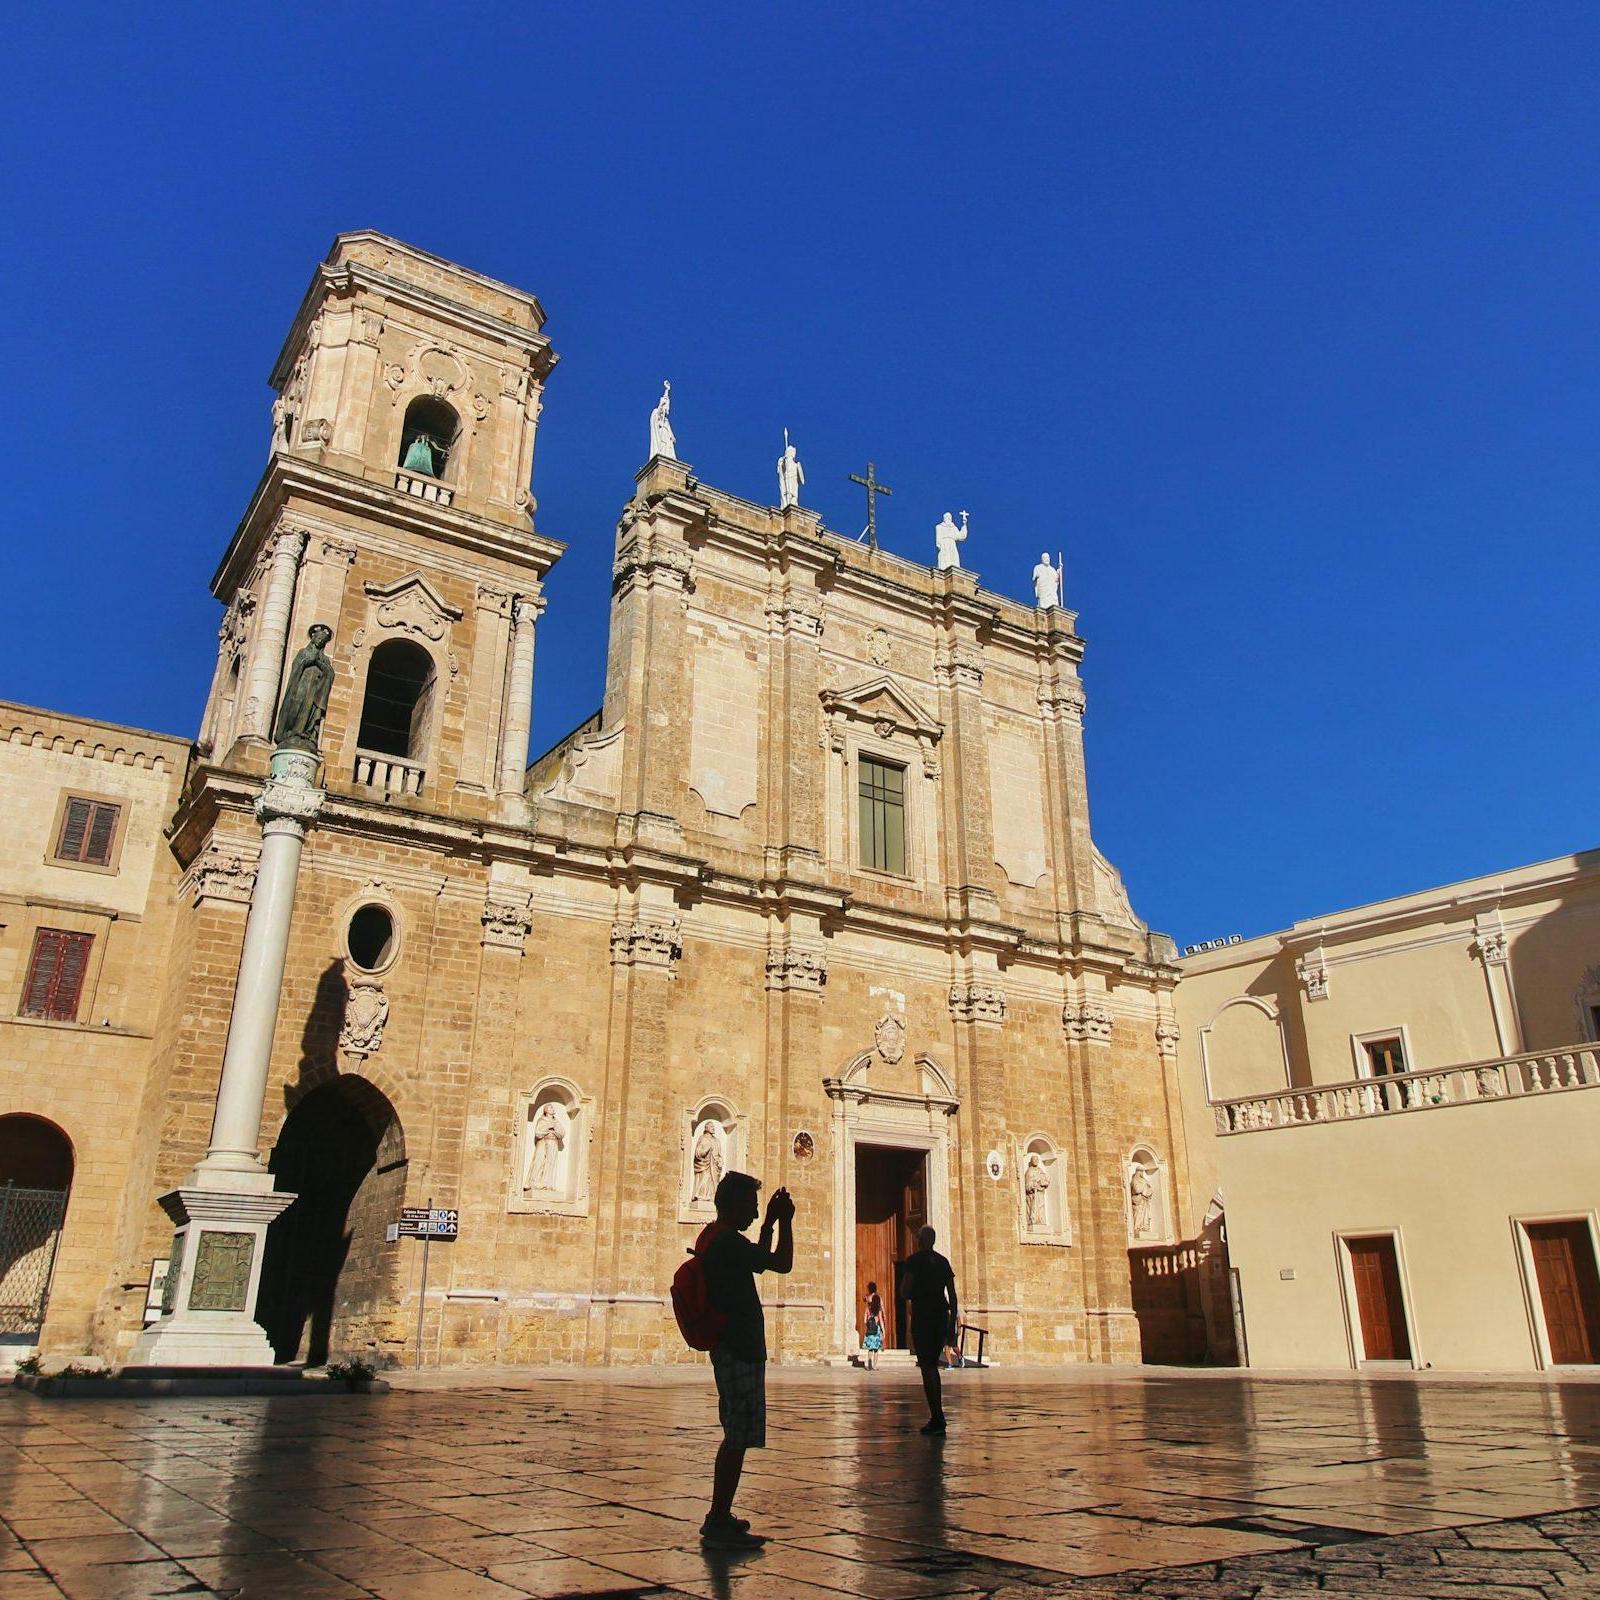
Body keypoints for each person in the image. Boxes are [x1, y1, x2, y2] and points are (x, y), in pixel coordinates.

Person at [699, 1170, 794, 1548]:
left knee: (735, 1434)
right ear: (734, 1205)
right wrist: (784, 1222)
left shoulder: (716, 1239)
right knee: (736, 1436)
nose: (755, 1215)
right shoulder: (727, 1243)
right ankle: (718, 1518)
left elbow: (758, 1262)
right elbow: (781, 1263)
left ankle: (720, 1515)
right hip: (739, 1347)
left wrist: (770, 1221)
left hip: (731, 1347)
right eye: (752, 1208)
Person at [898, 1224, 958, 1434]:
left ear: (919, 1240)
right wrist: (953, 1327)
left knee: (928, 1367)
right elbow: (953, 1295)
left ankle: (937, 1416)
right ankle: (937, 1415)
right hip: (941, 1316)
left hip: (923, 1316)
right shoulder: (943, 1261)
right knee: (932, 1365)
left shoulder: (913, 1262)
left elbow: (905, 1291)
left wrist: (913, 1292)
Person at [861, 1282, 884, 1371]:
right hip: (877, 1331)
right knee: (876, 1350)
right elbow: (881, 1320)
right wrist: (883, 1331)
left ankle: (869, 1365)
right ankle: (874, 1366)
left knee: (870, 1349)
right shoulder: (878, 1309)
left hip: (870, 1330)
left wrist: (868, 1324)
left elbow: (864, 1320)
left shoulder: (868, 1307)